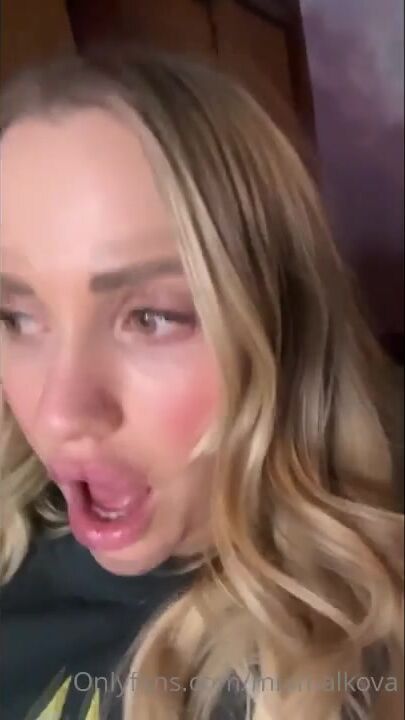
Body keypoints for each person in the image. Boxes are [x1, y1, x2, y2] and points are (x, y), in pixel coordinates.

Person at [0, 45, 403, 720]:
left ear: (280, 325)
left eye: (151, 318)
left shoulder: (357, 662)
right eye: (14, 317)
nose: (60, 411)